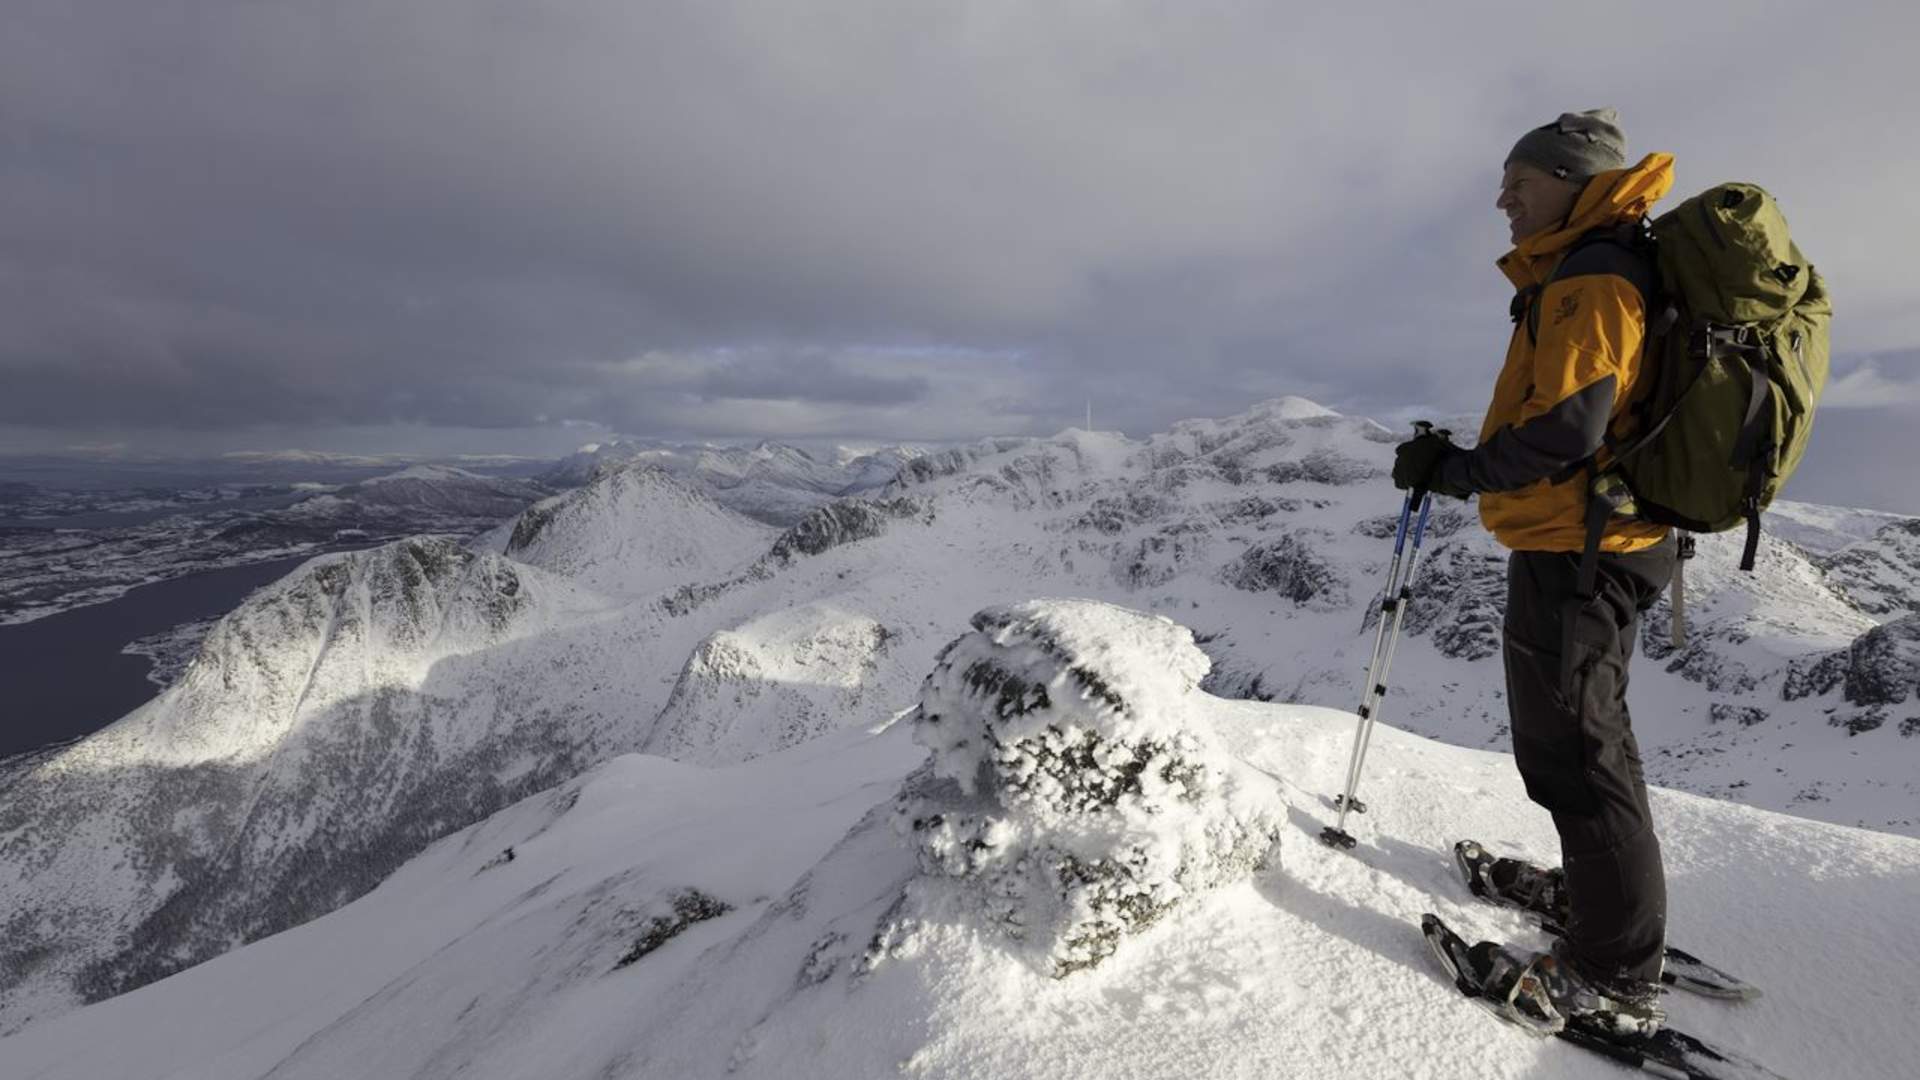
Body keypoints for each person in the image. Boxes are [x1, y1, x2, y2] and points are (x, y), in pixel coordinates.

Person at [1392, 108, 1678, 1035]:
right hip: (1588, 542)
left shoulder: (1594, 275)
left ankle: (1615, 970)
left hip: (1583, 549)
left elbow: (1567, 431)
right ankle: (1604, 907)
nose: (1504, 199)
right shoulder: (1592, 266)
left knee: (1582, 756)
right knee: (1573, 746)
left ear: (1571, 180)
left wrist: (1457, 472)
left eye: (1521, 181)